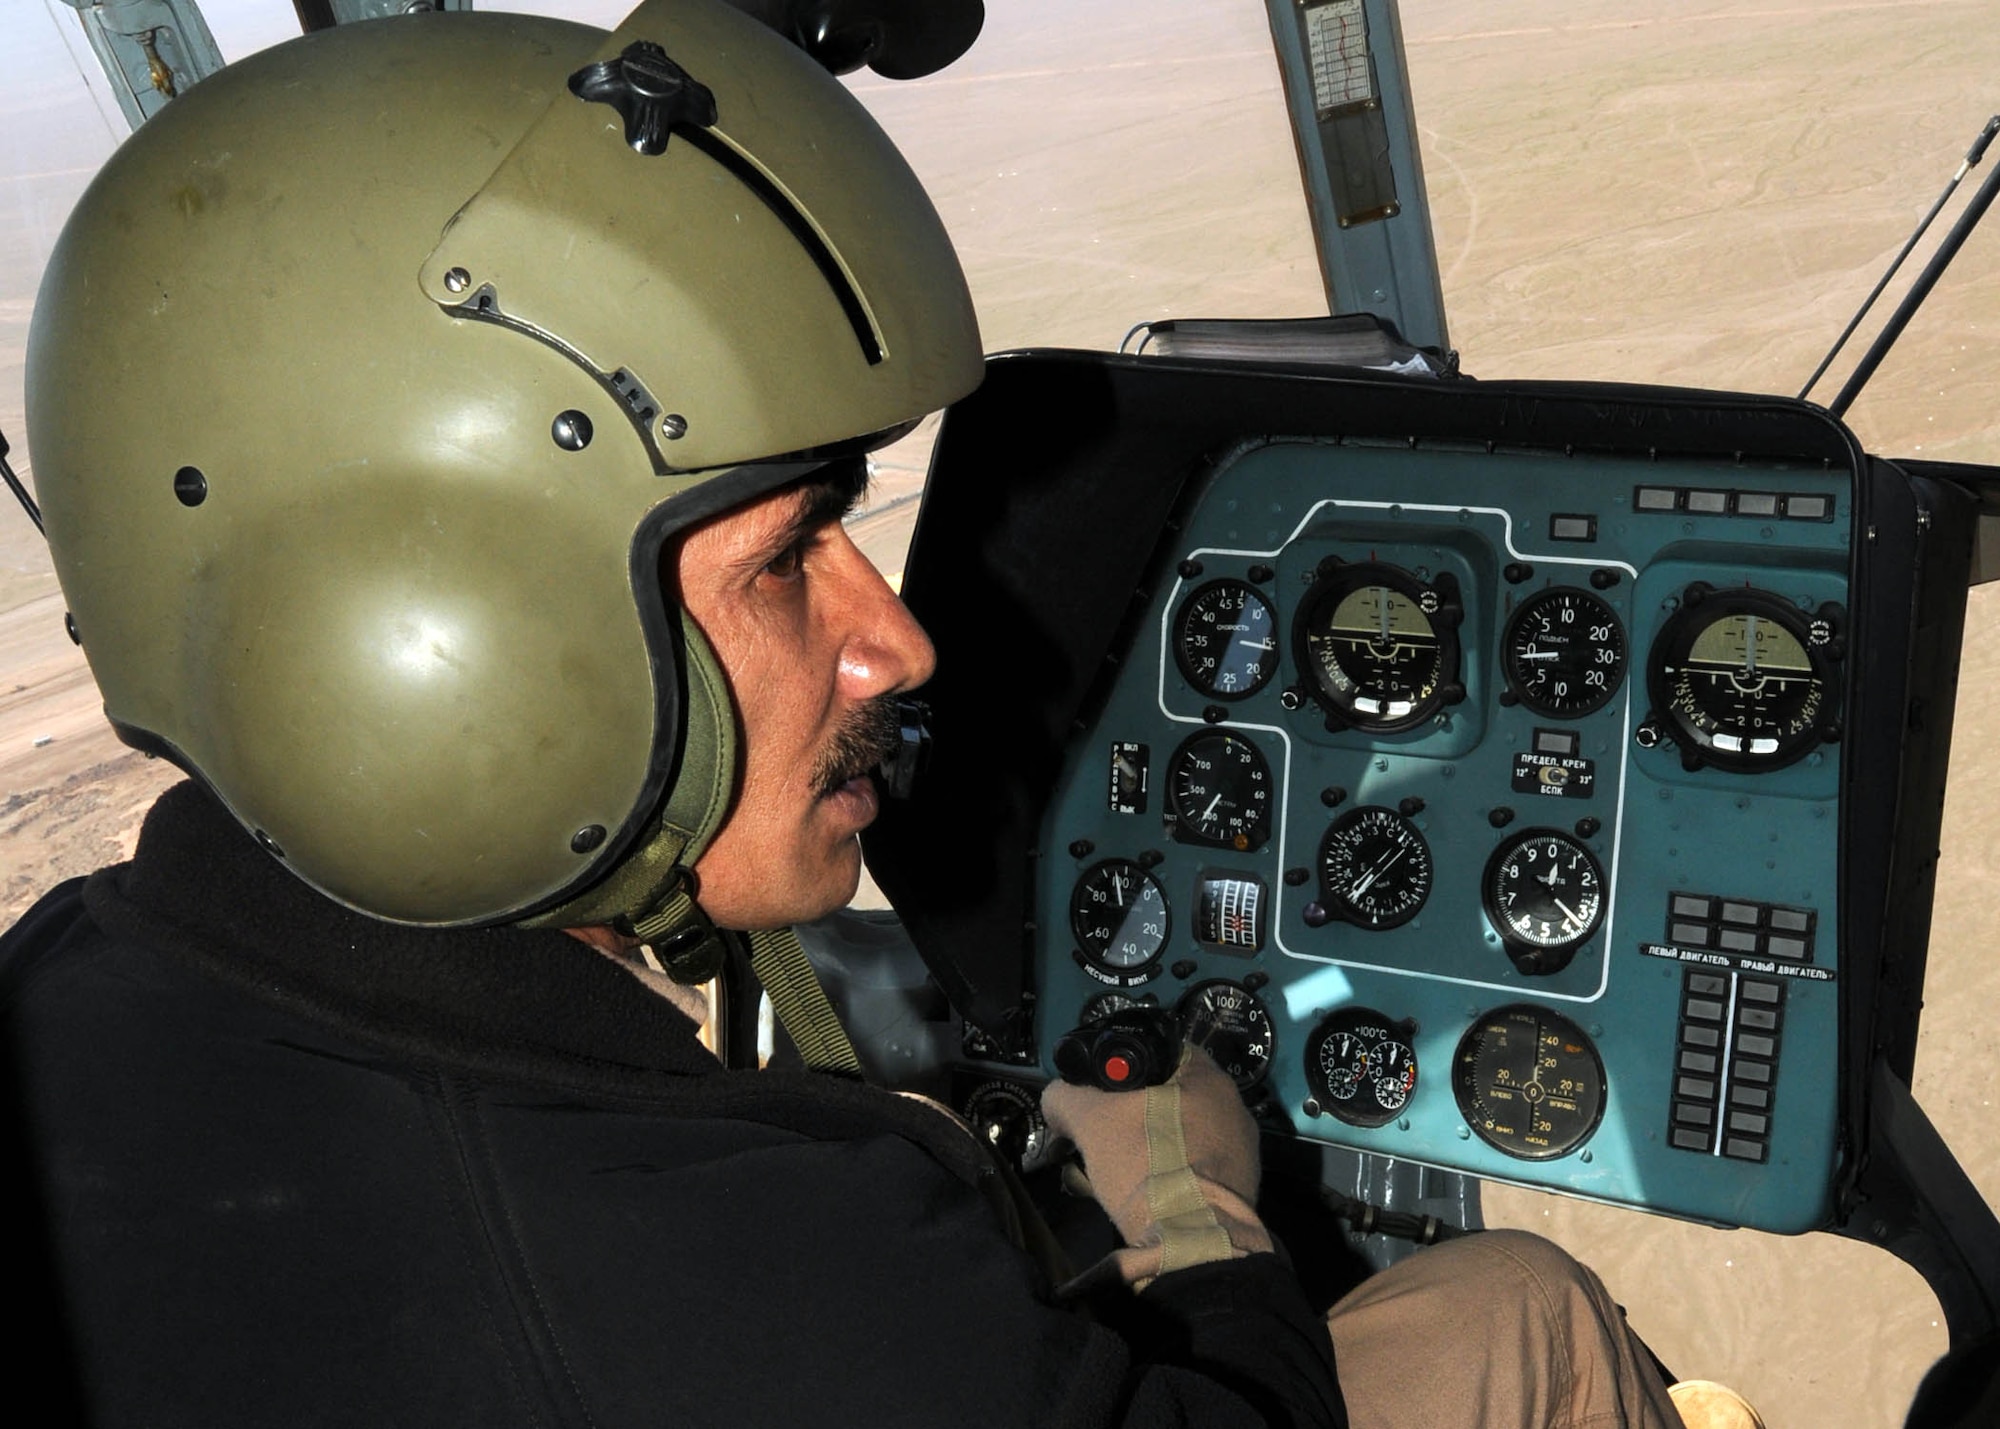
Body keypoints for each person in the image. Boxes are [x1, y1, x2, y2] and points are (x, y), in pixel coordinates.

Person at [1, 3, 1748, 1425]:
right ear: (447, 643)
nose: (896, 641)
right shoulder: (750, 1275)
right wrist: (1196, 1212)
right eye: (783, 562)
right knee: (1525, 1311)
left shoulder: (75, 973)